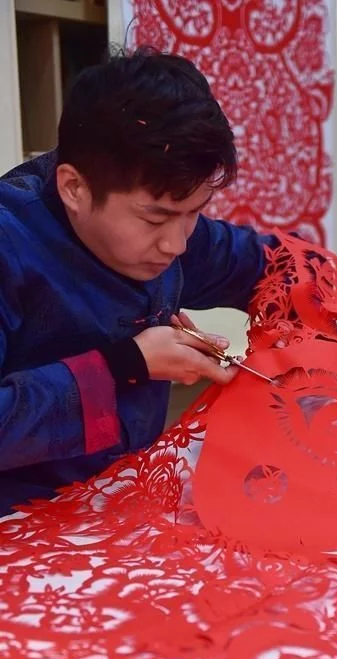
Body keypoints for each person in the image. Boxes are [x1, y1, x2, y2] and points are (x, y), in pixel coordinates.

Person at [0, 47, 281, 515]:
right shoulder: (10, 242)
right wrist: (125, 364)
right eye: (155, 219)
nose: (177, 244)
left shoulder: (169, 221)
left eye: (194, 212)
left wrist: (328, 304)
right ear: (74, 188)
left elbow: (270, 263)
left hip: (124, 493)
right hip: (16, 519)